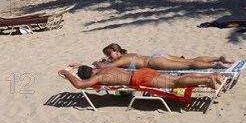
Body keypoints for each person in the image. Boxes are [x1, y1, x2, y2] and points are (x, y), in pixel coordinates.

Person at [59, 64, 225, 91]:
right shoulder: (104, 68)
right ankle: (211, 75)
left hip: (139, 80)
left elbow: (80, 85)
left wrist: (67, 73)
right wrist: (77, 65)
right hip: (142, 72)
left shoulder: (98, 77)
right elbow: (91, 66)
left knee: (174, 82)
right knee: (176, 77)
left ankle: (206, 80)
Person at [93, 43, 234, 70]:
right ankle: (218, 58)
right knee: (190, 60)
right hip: (158, 55)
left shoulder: (122, 59)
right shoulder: (128, 54)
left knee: (189, 65)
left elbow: (104, 68)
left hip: (154, 62)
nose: (108, 57)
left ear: (115, 52)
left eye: (108, 54)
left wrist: (98, 62)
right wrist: (107, 59)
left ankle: (216, 65)